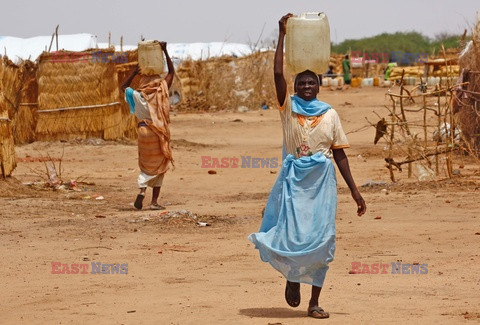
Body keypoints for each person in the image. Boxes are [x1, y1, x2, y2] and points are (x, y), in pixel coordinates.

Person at [248, 14, 366, 319]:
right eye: (301, 82)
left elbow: (339, 155)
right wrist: (282, 34)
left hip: (323, 185)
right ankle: (292, 276)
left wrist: (355, 191)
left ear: (319, 85)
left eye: (311, 81)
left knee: (323, 240)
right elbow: (277, 73)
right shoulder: (288, 109)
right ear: (295, 86)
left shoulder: (330, 115)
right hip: (294, 183)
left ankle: (314, 301)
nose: (306, 85)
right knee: (291, 237)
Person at [121, 41, 175, 210]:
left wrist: (133, 72)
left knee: (146, 164)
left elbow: (123, 87)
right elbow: (172, 72)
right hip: (157, 132)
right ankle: (154, 202)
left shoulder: (138, 95)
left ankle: (142, 190)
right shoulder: (160, 92)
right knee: (160, 164)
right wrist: (165, 51)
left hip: (143, 131)